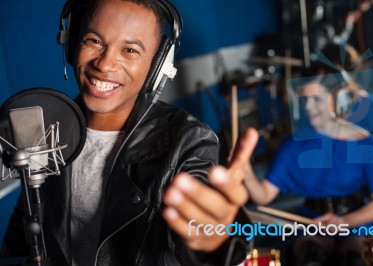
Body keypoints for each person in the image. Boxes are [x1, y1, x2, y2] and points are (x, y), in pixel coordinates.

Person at [0, 0, 259, 265]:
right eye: (94, 41)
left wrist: (215, 241)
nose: (105, 63)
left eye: (130, 50)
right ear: (71, 43)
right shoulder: (48, 128)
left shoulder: (188, 139)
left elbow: (199, 227)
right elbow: (23, 231)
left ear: (157, 68)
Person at [243, 70, 373, 265]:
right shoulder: (293, 146)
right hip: (314, 221)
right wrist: (244, 170)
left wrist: (344, 222)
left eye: (316, 100)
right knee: (310, 255)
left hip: (357, 220)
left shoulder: (365, 143)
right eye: (306, 100)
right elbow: (263, 196)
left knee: (354, 259)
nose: (309, 106)